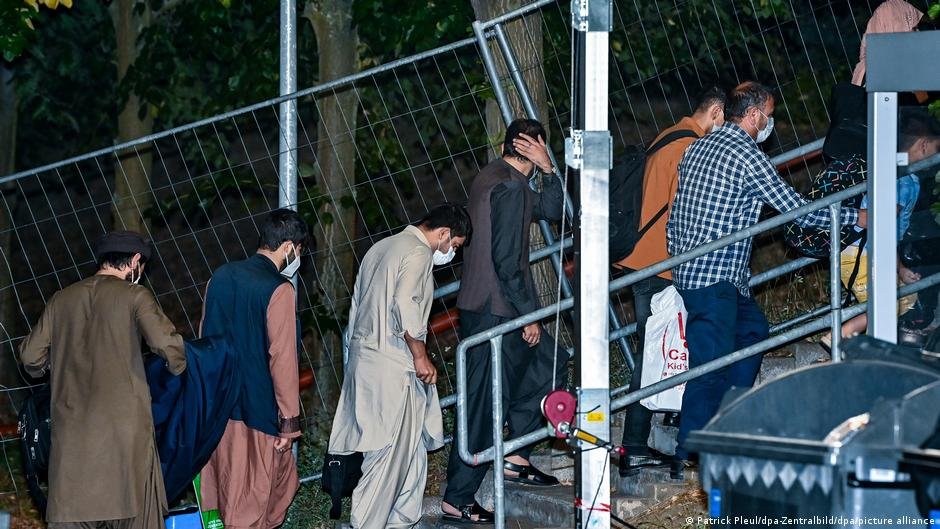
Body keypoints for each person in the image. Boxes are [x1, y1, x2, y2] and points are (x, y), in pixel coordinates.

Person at [666, 81, 867, 478]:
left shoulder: (698, 146)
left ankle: (729, 420)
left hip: (704, 273)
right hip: (716, 279)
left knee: (754, 332)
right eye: (769, 114)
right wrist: (855, 218)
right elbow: (799, 212)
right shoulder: (745, 153)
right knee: (711, 363)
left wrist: (680, 260)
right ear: (755, 114)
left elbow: (676, 216)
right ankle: (690, 449)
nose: (770, 123)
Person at [441, 118, 568, 524]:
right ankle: (458, 496)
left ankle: (515, 455)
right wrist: (527, 315)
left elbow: (555, 210)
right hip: (498, 308)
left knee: (550, 362)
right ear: (535, 146)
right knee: (484, 400)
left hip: (489, 306)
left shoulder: (496, 176)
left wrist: (549, 171)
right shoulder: (510, 187)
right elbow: (507, 261)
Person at [19, 231, 187, 529]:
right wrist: (179, 367)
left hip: (71, 440)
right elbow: (169, 347)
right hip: (125, 441)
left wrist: (52, 367)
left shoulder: (62, 299)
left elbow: (31, 357)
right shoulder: (135, 296)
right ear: (135, 261)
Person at [328, 204, 470, 529]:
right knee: (388, 454)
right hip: (395, 366)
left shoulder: (380, 248)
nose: (451, 253)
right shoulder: (418, 252)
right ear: (444, 234)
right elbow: (407, 306)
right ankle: (368, 524)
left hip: (365, 362)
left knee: (412, 451)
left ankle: (401, 521)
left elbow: (357, 306)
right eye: (455, 246)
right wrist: (420, 355)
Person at [615, 86, 726, 476]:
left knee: (660, 350)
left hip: (646, 261)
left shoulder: (668, 136)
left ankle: (659, 430)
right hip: (661, 266)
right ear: (715, 112)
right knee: (653, 356)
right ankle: (633, 445)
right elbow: (684, 213)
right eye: (723, 120)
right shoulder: (688, 147)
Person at [199, 208, 308, 529]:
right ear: (289, 247)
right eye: (300, 251)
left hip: (218, 405)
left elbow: (205, 336)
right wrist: (289, 422)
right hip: (258, 410)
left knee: (224, 491)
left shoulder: (220, 276)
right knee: (259, 496)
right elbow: (282, 358)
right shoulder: (279, 289)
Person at [823, 109, 940, 346]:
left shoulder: (891, 169)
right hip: (863, 253)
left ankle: (854, 344)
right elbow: (884, 228)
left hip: (864, 250)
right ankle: (838, 339)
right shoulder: (904, 180)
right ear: (925, 145)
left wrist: (899, 268)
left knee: (905, 299)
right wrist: (899, 266)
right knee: (886, 306)